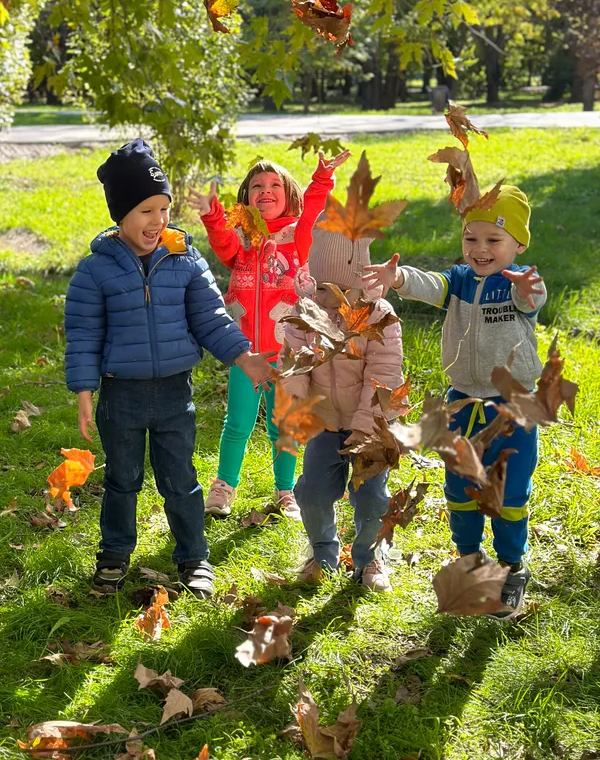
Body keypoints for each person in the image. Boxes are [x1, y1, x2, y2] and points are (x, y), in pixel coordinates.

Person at [64, 139, 274, 598]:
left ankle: (194, 556)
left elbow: (211, 318)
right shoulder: (95, 271)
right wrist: (84, 392)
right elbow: (82, 335)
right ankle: (114, 554)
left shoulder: (184, 260)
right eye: (145, 211)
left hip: (175, 394)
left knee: (180, 480)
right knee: (122, 480)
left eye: (163, 209)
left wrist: (243, 356)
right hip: (120, 395)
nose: (158, 221)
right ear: (120, 215)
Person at [362, 185, 546, 615]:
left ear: (517, 244)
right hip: (462, 406)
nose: (480, 250)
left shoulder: (519, 283)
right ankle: (469, 560)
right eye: (471, 239)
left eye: (493, 240)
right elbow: (432, 284)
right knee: (461, 491)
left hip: (513, 409)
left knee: (509, 493)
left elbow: (531, 300)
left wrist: (524, 288)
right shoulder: (461, 281)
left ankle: (511, 567)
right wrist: (399, 277)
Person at [188, 150, 349, 519]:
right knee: (237, 424)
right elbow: (221, 241)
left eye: (275, 185)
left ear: (288, 194)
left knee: (283, 426)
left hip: (288, 353)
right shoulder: (242, 237)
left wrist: (322, 180)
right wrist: (213, 212)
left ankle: (285, 491)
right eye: (257, 186)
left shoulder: (300, 235)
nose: (265, 190)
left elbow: (313, 211)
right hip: (245, 352)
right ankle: (224, 486)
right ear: (245, 199)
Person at [280, 223, 405, 592]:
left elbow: (383, 375)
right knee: (312, 493)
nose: (324, 297)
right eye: (318, 287)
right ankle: (322, 552)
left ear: (357, 283)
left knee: (370, 498)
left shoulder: (378, 316)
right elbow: (295, 363)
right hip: (325, 422)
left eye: (335, 289)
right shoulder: (305, 313)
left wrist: (367, 423)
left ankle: (370, 557)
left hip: (371, 424)